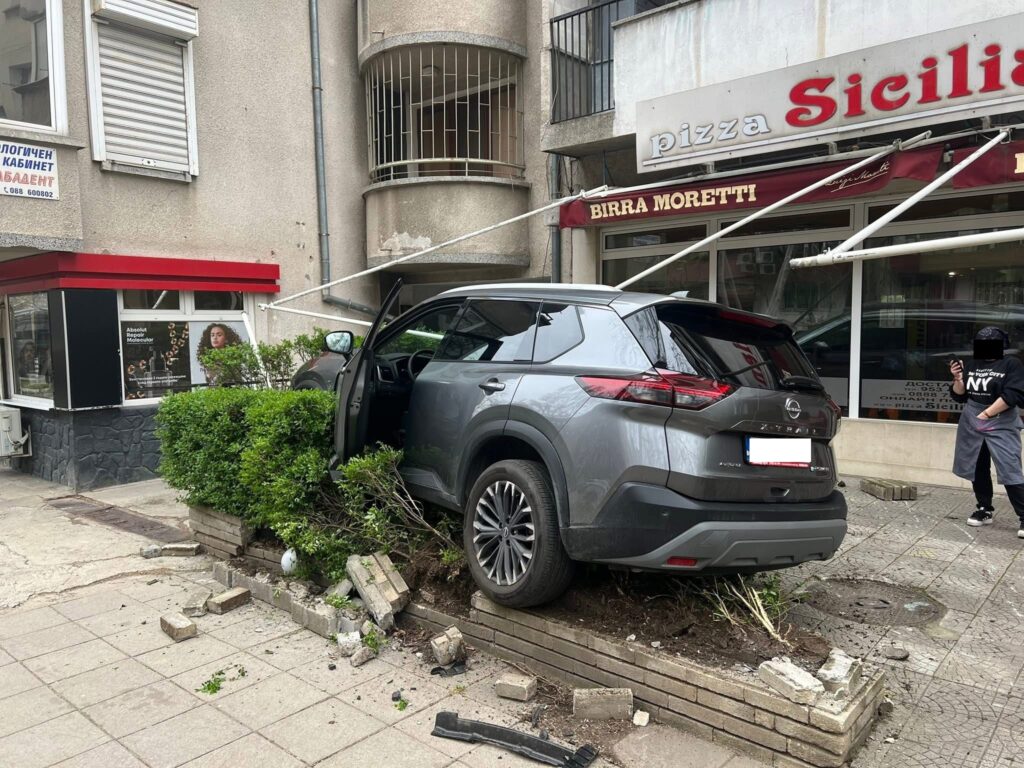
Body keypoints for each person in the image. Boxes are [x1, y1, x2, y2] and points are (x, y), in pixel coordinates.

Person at [949, 326, 1024, 538]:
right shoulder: (973, 364)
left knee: (1010, 468)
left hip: (1000, 419)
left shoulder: (1011, 364)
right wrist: (958, 379)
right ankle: (984, 508)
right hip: (972, 421)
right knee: (977, 465)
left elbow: (1014, 395)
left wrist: (987, 414)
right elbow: (960, 396)